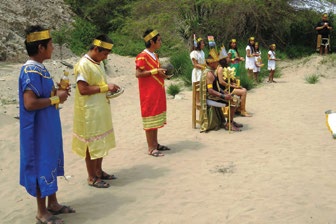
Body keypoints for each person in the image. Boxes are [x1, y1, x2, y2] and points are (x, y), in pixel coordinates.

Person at [19, 25, 74, 224]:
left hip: (48, 126)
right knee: (42, 164)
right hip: (38, 130)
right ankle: (41, 212)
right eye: (50, 44)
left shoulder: (39, 68)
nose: (52, 47)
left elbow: (44, 97)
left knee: (50, 162)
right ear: (41, 48)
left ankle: (53, 203)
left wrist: (57, 95)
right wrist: (54, 99)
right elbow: (30, 103)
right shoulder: (31, 70)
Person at [72, 34, 120, 188]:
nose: (105, 57)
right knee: (91, 144)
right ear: (95, 49)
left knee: (100, 141)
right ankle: (91, 177)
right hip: (89, 112)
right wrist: (106, 88)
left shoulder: (98, 63)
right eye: (104, 53)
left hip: (100, 109)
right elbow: (83, 89)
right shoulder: (83, 64)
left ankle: (99, 171)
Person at [135, 29, 170, 157]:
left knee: (156, 117)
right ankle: (151, 147)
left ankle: (155, 143)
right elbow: (138, 74)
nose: (161, 42)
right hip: (148, 92)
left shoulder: (154, 55)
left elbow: (155, 70)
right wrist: (155, 71)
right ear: (152, 41)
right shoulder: (142, 56)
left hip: (157, 89)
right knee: (150, 117)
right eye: (159, 40)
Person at [200, 49, 243, 132]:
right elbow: (211, 91)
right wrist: (223, 96)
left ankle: (231, 121)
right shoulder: (209, 74)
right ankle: (229, 124)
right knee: (234, 100)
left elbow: (216, 87)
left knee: (235, 98)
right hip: (211, 98)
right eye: (216, 62)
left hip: (215, 95)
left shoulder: (212, 71)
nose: (218, 63)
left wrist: (224, 92)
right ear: (211, 63)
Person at [190, 37, 206, 104]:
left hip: (203, 70)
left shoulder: (202, 52)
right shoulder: (194, 53)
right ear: (199, 44)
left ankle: (202, 100)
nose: (204, 44)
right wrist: (204, 67)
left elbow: (204, 61)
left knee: (203, 86)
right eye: (202, 43)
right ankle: (197, 101)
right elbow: (195, 64)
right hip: (197, 71)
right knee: (197, 87)